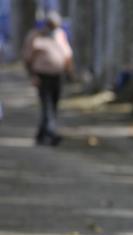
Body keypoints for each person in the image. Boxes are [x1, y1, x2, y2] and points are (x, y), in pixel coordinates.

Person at [22, 11, 73, 146]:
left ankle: (41, 135)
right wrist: (32, 75)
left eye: (55, 24)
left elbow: (67, 55)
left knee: (53, 105)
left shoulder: (60, 35)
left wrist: (69, 72)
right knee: (47, 106)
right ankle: (51, 133)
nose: (53, 27)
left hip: (57, 75)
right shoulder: (35, 36)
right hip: (42, 76)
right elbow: (28, 58)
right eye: (51, 24)